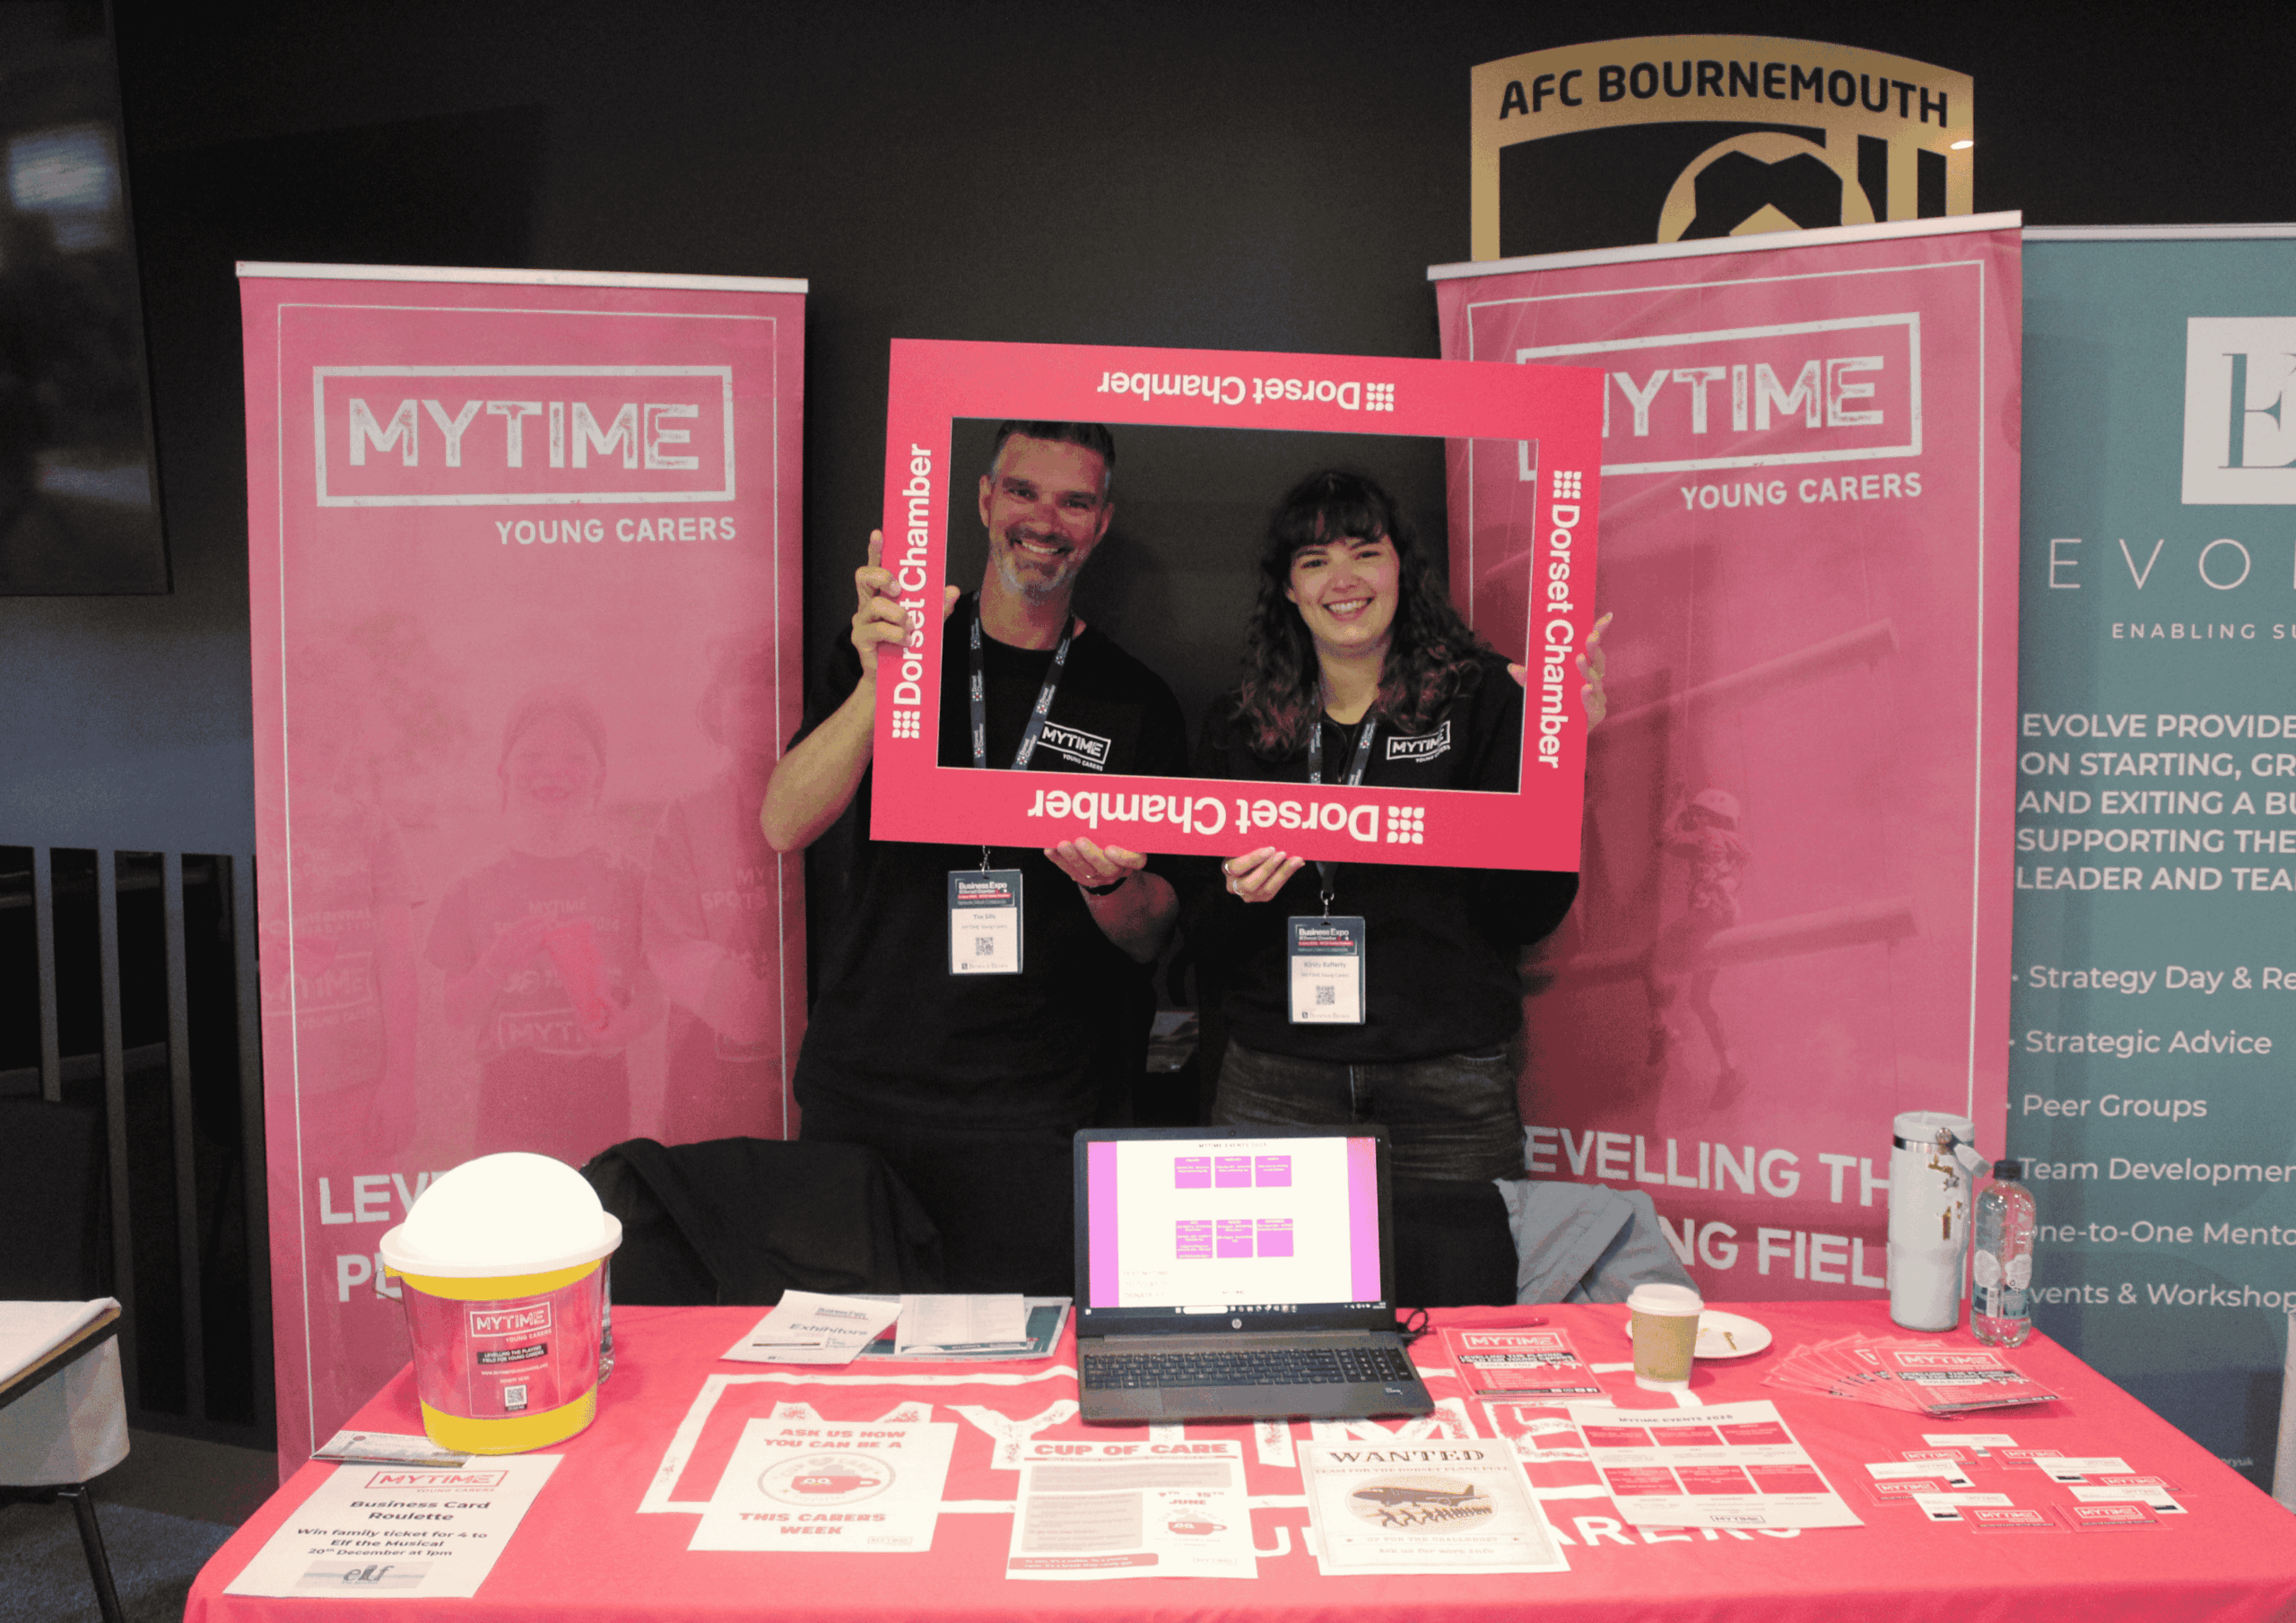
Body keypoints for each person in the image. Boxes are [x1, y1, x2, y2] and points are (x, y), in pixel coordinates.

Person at [761, 421, 1188, 1295]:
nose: (1046, 520)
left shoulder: (1135, 698)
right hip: (871, 1092)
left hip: (1044, 1109)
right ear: (986, 499)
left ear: (1102, 522)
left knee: (1034, 1366)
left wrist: (1108, 883)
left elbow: (1151, 933)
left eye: (1074, 501)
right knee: (856, 1361)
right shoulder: (888, 647)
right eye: (1024, 491)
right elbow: (783, 823)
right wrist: (882, 683)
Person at [1192, 469, 1606, 1306]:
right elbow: (1197, 938)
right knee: (1263, 1329)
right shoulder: (1240, 725)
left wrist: (1558, 769)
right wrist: (1239, 896)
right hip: (1278, 1080)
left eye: (1364, 552)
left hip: (1446, 1085)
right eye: (1314, 561)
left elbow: (1528, 913)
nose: (1342, 580)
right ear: (1288, 589)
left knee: (1463, 1336)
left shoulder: (1487, 699)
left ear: (1401, 567)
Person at [428, 684, 662, 1167]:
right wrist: (496, 965)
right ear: (503, 772)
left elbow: (653, 997)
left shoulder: (631, 882)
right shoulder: (472, 886)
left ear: (599, 778)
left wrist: (622, 1027)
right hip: (507, 1111)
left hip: (602, 1105)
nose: (554, 771)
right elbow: (453, 1011)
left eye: (576, 758)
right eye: (533, 756)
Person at [644, 638, 787, 1141]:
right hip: (707, 1084)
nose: (764, 716)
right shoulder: (688, 816)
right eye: (747, 699)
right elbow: (671, 946)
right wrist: (765, 1006)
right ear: (715, 709)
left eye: (781, 697)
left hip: (805, 1078)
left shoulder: (833, 805)